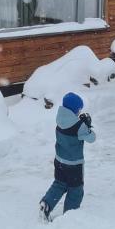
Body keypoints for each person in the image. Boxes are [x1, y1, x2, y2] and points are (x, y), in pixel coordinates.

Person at [39, 92, 97, 220]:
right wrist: (87, 126)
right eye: (79, 109)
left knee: (59, 184)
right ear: (75, 109)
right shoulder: (78, 126)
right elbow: (92, 138)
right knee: (75, 190)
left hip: (59, 161)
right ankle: (70, 217)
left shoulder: (60, 120)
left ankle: (46, 204)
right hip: (74, 164)